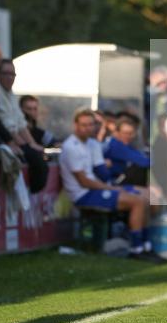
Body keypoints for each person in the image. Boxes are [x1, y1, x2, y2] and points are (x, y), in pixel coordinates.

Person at [59, 109, 152, 257]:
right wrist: (113, 188)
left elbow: (102, 172)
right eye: (84, 125)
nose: (88, 128)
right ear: (75, 125)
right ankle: (137, 248)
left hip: (98, 187)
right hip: (83, 194)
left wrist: (114, 178)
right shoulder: (71, 146)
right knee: (138, 202)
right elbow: (84, 182)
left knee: (148, 195)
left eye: (91, 124)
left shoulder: (93, 143)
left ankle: (147, 244)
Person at [0, 59, 49, 192]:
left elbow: (20, 122)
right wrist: (23, 145)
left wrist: (31, 144)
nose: (9, 77)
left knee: (39, 157)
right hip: (4, 138)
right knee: (37, 161)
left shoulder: (11, 94)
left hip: (16, 139)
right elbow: (6, 123)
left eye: (12, 74)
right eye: (5, 73)